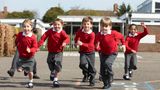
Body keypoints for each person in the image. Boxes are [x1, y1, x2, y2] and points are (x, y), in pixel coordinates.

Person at [38, 18, 70, 87]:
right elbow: (43, 37)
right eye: (55, 24)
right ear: (53, 25)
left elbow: (67, 38)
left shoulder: (62, 32)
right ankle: (52, 72)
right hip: (51, 51)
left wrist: (64, 42)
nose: (57, 26)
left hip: (59, 51)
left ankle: (55, 80)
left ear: (61, 25)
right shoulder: (50, 31)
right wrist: (38, 45)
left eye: (58, 24)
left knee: (57, 63)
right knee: (49, 61)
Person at [95, 17, 125, 89]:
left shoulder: (114, 33)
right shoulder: (99, 34)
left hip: (113, 52)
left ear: (110, 26)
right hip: (103, 53)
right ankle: (106, 84)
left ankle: (111, 74)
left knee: (107, 63)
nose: (104, 28)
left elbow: (122, 37)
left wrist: (123, 44)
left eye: (106, 26)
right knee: (102, 71)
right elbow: (96, 42)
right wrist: (97, 47)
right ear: (100, 26)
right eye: (102, 26)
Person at [74, 16, 96, 86]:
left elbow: (90, 45)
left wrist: (82, 43)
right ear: (82, 24)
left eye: (88, 24)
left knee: (91, 67)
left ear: (91, 25)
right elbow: (76, 37)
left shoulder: (92, 34)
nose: (86, 25)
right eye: (84, 24)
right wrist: (75, 43)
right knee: (82, 64)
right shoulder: (80, 31)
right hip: (83, 52)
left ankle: (92, 80)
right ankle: (86, 74)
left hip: (91, 52)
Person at [16, 19, 38, 88]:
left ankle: (30, 82)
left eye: (28, 26)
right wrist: (16, 45)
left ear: (31, 28)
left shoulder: (33, 37)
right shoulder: (20, 35)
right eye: (24, 27)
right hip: (22, 56)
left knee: (30, 71)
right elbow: (17, 41)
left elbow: (35, 47)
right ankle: (24, 69)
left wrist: (30, 50)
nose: (26, 28)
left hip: (30, 57)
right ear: (22, 27)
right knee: (19, 70)